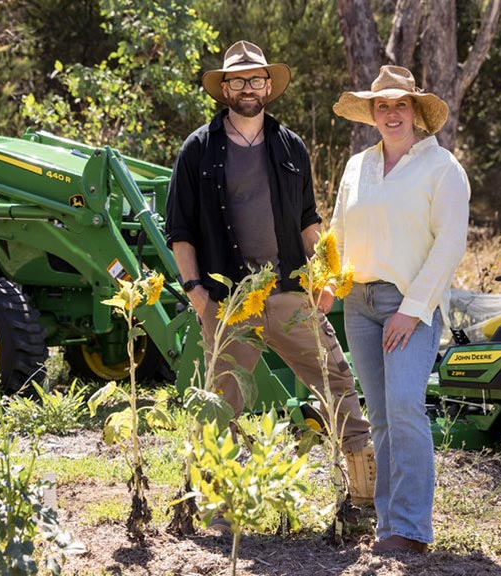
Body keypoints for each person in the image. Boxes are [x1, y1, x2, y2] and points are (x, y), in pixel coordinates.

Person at [164, 41, 375, 505]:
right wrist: (197, 291)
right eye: (237, 80)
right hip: (230, 301)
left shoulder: (290, 145)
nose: (247, 88)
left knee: (337, 381)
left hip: (289, 296)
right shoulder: (198, 149)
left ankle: (363, 499)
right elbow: (179, 230)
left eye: (255, 80)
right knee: (222, 404)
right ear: (224, 89)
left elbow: (308, 223)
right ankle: (219, 507)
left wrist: (321, 281)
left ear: (268, 87)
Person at [330, 65, 470, 553]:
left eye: (400, 104)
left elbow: (449, 245)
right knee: (383, 416)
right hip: (358, 304)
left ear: (416, 112)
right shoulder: (356, 166)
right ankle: (388, 525)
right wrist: (329, 283)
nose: (391, 113)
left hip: (409, 303)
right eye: (382, 105)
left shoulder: (442, 169)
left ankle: (411, 530)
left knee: (406, 406)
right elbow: (338, 235)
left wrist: (411, 309)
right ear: (372, 113)